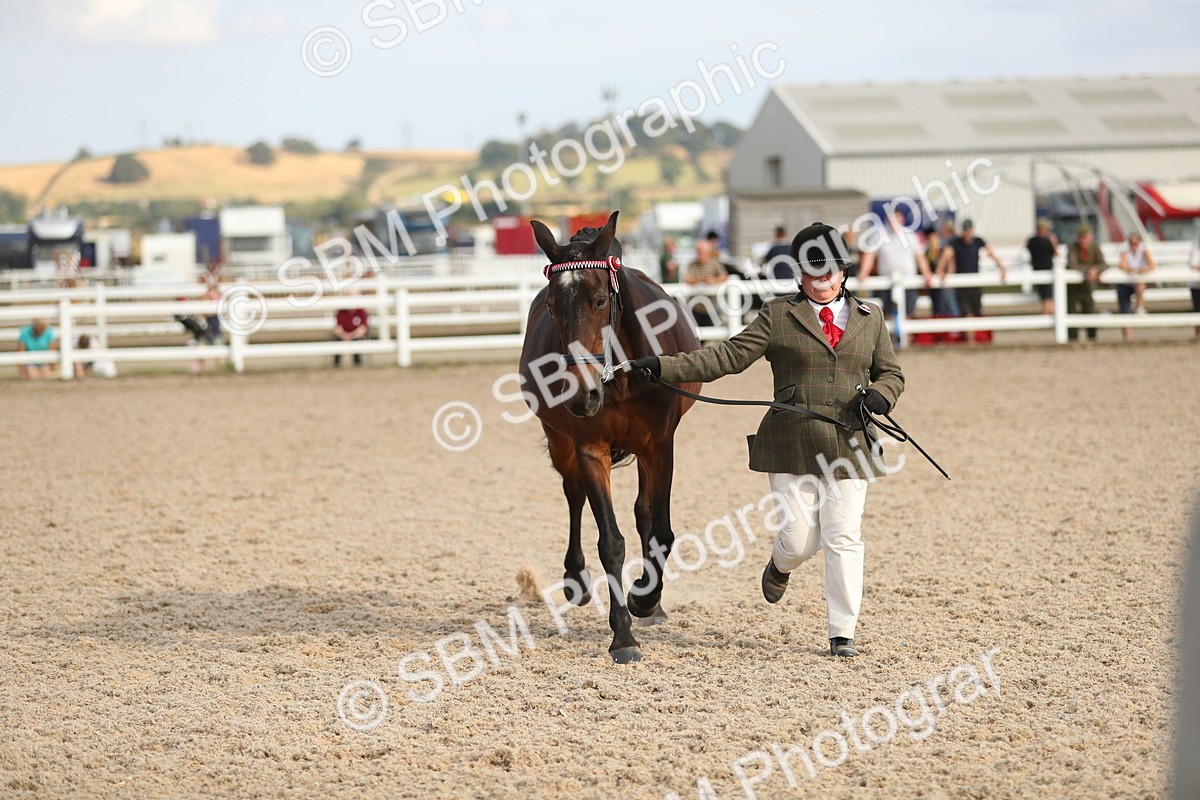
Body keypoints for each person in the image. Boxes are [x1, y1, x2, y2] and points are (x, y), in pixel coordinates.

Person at [629, 222, 905, 659]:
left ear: (843, 272)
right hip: (790, 442)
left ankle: (842, 633)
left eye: (829, 272)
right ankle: (780, 564)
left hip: (851, 442)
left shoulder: (871, 319)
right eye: (812, 274)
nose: (821, 282)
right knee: (797, 540)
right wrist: (662, 367)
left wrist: (882, 394)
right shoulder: (778, 316)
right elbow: (728, 356)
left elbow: (891, 372)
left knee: (843, 536)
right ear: (799, 274)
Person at [858, 210, 933, 330]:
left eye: (897, 218)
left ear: (902, 220)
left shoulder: (910, 235)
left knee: (908, 312)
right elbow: (870, 255)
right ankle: (890, 341)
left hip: (908, 281)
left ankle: (906, 340)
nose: (893, 222)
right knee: (887, 313)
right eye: (891, 219)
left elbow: (920, 257)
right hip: (887, 281)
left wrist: (927, 274)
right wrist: (863, 273)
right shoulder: (879, 234)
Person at [935, 219, 1007, 341]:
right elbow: (946, 255)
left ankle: (973, 339)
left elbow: (991, 253)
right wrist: (940, 270)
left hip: (975, 284)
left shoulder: (978, 241)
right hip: (962, 285)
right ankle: (970, 341)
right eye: (964, 230)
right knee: (967, 314)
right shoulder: (956, 243)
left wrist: (1001, 267)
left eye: (968, 230)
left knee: (976, 313)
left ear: (972, 230)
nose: (966, 233)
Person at [1065, 225, 1106, 342]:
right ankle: (1072, 338)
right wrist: (1089, 270)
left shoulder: (1095, 248)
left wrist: (1096, 270)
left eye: (1086, 237)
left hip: (1085, 286)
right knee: (1071, 311)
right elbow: (1072, 264)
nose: (1084, 240)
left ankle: (1092, 337)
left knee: (1089, 309)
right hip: (1072, 287)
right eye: (1082, 237)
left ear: (1090, 237)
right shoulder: (1073, 248)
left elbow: (1103, 264)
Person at [1117, 232, 1156, 342]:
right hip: (1125, 283)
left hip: (1136, 282)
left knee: (1140, 283)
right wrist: (1137, 270)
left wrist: (1138, 271)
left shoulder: (1144, 250)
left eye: (1135, 243)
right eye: (1131, 243)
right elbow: (1122, 265)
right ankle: (1127, 338)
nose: (1133, 245)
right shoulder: (1125, 250)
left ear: (1139, 242)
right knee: (1124, 310)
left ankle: (1139, 306)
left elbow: (1152, 265)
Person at [1026, 218, 1059, 315]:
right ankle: (1048, 313)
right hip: (1047, 269)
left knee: (1043, 293)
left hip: (1036, 269)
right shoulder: (1046, 241)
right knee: (1048, 294)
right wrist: (1053, 242)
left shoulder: (1031, 241)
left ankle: (1046, 312)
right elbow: (1055, 253)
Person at [333, 291, 369, 367]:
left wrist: (352, 335)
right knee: (338, 340)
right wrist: (344, 335)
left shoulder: (360, 311)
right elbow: (337, 328)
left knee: (357, 340)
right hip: (343, 335)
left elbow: (363, 328)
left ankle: (358, 363)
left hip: (356, 335)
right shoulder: (341, 311)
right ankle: (336, 365)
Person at [1190, 233, 1200, 338]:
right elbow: (1194, 265)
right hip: (1196, 285)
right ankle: (1198, 335)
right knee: (1197, 310)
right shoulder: (1195, 247)